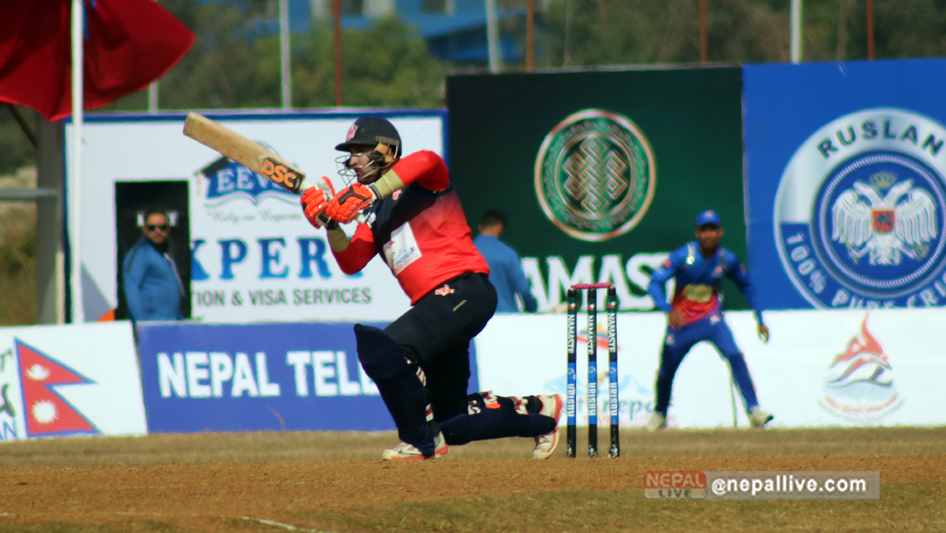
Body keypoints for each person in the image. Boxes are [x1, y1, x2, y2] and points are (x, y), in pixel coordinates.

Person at [300, 116, 562, 461]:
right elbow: (352, 262)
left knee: (386, 347)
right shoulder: (373, 214)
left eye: (359, 151)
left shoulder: (423, 182)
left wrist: (369, 192)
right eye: (350, 153)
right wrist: (332, 225)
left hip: (465, 290)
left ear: (386, 150)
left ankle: (420, 441)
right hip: (439, 308)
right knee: (452, 423)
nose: (351, 161)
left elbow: (428, 159)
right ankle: (540, 414)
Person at [645, 210, 773, 430]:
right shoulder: (684, 256)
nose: (708, 234)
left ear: (720, 232)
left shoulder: (725, 259)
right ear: (697, 233)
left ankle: (754, 411)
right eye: (704, 230)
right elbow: (654, 282)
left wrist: (759, 318)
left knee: (734, 354)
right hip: (682, 322)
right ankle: (659, 414)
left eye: (713, 229)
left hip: (710, 319)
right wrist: (667, 308)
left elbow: (747, 287)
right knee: (666, 370)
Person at [122, 208, 184, 322]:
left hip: (170, 322)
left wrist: (180, 319)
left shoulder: (164, 254)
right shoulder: (140, 254)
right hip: (151, 323)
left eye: (162, 227)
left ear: (168, 229)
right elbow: (131, 288)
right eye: (152, 228)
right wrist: (141, 323)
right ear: (144, 230)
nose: (158, 231)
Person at [473, 210, 538, 313]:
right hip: (504, 316)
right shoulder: (508, 253)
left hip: (473, 318)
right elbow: (524, 289)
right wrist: (531, 310)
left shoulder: (464, 252)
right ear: (500, 227)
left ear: (480, 227)